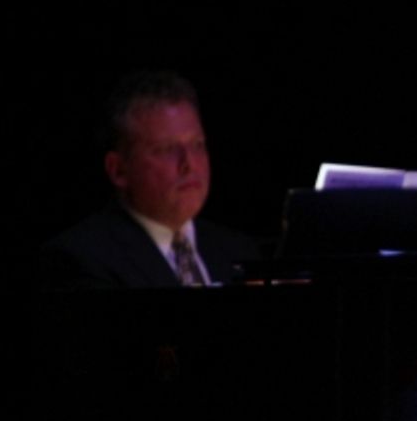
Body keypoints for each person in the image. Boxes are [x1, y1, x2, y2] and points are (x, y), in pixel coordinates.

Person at [40, 69, 261, 288]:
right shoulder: (82, 261)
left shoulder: (240, 251)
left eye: (197, 145)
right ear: (118, 170)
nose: (189, 164)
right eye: (166, 150)